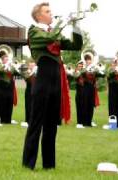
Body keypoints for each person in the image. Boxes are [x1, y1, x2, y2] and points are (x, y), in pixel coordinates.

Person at [22, 2, 83, 169]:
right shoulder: (34, 31)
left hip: (56, 80)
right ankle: (28, 163)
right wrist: (62, 23)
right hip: (42, 80)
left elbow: (75, 46)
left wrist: (76, 25)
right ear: (38, 16)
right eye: (47, 11)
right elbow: (49, 38)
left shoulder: (53, 32)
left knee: (51, 126)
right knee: (36, 123)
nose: (51, 14)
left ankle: (49, 164)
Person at [0, 55, 18, 124]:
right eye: (6, 59)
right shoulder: (0, 66)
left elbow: (17, 73)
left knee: (9, 103)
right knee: (2, 103)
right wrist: (5, 66)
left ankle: (8, 120)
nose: (7, 61)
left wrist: (16, 67)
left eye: (8, 59)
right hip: (2, 87)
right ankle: (2, 120)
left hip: (10, 87)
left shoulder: (11, 67)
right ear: (3, 60)